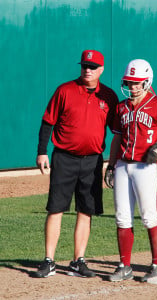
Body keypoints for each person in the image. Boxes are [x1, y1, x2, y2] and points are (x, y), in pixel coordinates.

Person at [35, 49, 119, 278]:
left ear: (101, 69)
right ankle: (49, 260)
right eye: (84, 66)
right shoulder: (65, 90)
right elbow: (47, 122)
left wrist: (116, 163)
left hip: (92, 161)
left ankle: (77, 261)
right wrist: (42, 152)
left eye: (92, 67)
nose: (87, 70)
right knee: (55, 208)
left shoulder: (109, 96)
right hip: (64, 158)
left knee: (86, 210)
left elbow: (118, 130)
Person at [104, 59, 157, 282]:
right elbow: (117, 137)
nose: (133, 87)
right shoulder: (121, 106)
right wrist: (110, 163)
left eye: (137, 83)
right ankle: (124, 265)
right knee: (122, 217)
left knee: (149, 215)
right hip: (123, 165)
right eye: (129, 82)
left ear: (147, 82)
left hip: (146, 167)